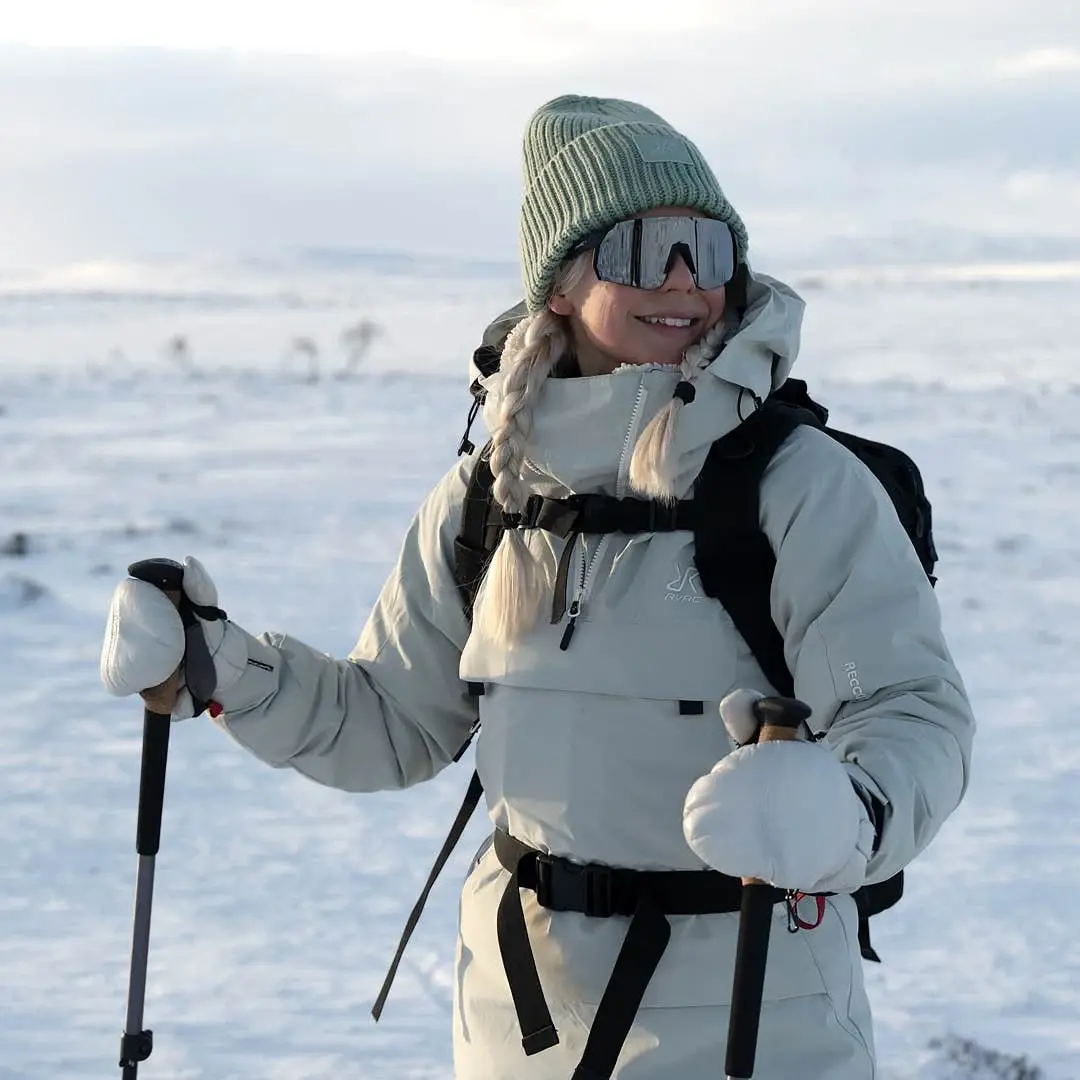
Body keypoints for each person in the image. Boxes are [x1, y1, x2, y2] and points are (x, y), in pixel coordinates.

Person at [100, 94, 976, 1079]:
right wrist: (222, 666)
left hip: (758, 1022)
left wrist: (847, 809)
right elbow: (389, 721)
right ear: (557, 284)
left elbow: (909, 710)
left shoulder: (798, 486)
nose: (686, 280)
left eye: (709, 249)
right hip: (519, 1022)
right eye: (644, 250)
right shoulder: (492, 495)